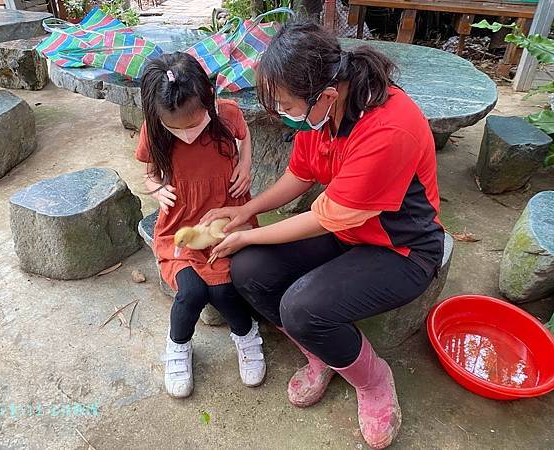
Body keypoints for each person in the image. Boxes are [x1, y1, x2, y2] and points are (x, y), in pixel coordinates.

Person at [201, 20, 444, 449]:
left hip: (401, 249)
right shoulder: (326, 112)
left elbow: (327, 216)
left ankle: (372, 379)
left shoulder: (389, 129)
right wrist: (245, 212)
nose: (284, 114)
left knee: (301, 307)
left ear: (327, 94)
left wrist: (248, 234)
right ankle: (326, 353)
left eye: (288, 105)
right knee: (250, 271)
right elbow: (300, 174)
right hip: (349, 232)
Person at [136, 53, 266, 399]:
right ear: (157, 115)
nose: (189, 134)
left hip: (227, 218)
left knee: (225, 290)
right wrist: (157, 188)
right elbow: (148, 173)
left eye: (195, 123)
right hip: (182, 226)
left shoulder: (227, 114)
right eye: (177, 127)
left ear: (209, 97)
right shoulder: (154, 130)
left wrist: (246, 162)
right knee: (192, 292)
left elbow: (244, 134)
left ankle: (247, 333)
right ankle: (178, 346)